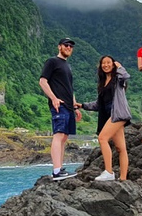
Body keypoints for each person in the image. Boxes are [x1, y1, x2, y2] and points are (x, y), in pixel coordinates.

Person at [78, 56, 132, 181]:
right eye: (103, 63)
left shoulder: (118, 79)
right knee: (120, 148)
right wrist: (82, 105)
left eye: (109, 63)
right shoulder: (102, 83)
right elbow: (98, 104)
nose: (106, 65)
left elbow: (125, 76)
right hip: (109, 115)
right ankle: (123, 178)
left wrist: (120, 67)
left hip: (118, 114)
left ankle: (109, 172)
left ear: (113, 64)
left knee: (102, 138)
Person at [39, 37, 82, 180]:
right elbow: (43, 81)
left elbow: (70, 88)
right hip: (59, 105)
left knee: (64, 137)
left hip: (69, 107)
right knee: (58, 135)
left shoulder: (67, 66)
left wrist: (75, 106)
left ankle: (60, 168)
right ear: (59, 47)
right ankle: (56, 171)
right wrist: (53, 98)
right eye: (66, 45)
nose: (69, 47)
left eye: (71, 46)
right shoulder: (52, 62)